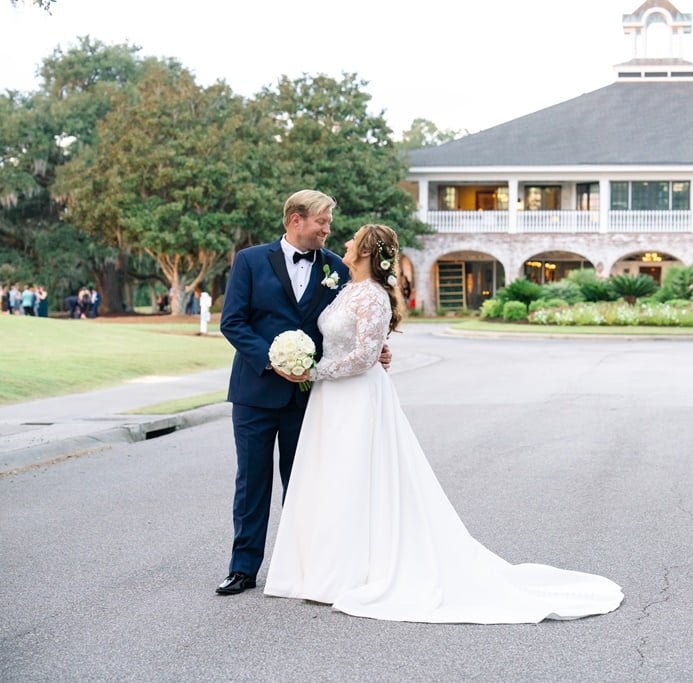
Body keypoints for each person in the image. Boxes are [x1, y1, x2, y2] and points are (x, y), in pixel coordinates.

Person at [263, 224, 622, 623]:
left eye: (352, 240)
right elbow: (349, 341)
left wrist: (315, 370)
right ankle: (320, 570)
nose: (343, 243)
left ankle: (353, 571)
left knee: (359, 478)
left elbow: (364, 358)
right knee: (331, 479)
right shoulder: (346, 288)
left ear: (366, 251)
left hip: (357, 399)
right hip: (330, 402)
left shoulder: (374, 297)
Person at [216, 189, 391, 596]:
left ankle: (304, 567)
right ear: (296, 219)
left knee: (306, 484)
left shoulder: (337, 268)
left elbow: (356, 321)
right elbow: (233, 322)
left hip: (311, 397)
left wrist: (378, 347)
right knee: (252, 483)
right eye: (322, 221)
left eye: (329, 222)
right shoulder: (250, 261)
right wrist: (271, 359)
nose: (328, 230)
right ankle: (243, 569)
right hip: (255, 392)